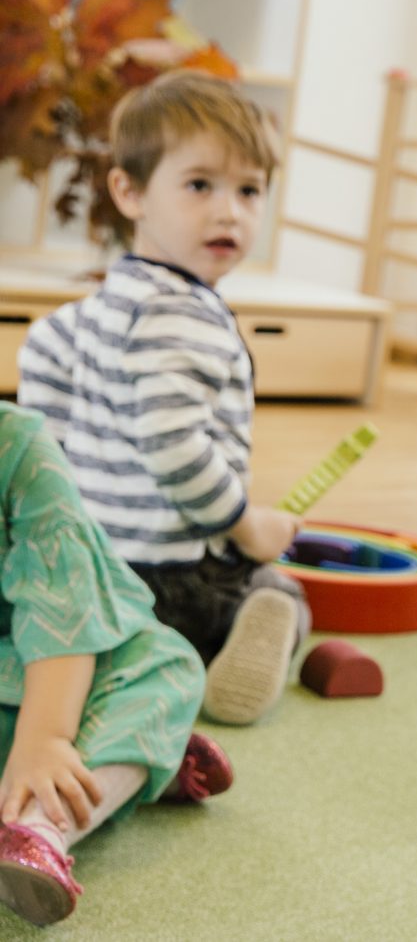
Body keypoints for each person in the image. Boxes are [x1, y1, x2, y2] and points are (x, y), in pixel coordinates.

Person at [18, 71, 309, 727]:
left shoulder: (86, 312)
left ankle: (98, 653)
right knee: (279, 588)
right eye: (200, 185)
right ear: (129, 191)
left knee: (94, 629)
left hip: (91, 569)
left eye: (250, 190)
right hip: (175, 574)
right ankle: (231, 635)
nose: (229, 211)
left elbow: (40, 379)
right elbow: (175, 446)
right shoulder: (186, 317)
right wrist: (247, 524)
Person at [0, 402, 233, 927]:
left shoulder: (18, 445)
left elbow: (63, 606)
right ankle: (138, 759)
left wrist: (47, 737)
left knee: (166, 667)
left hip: (61, 662)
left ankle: (36, 829)